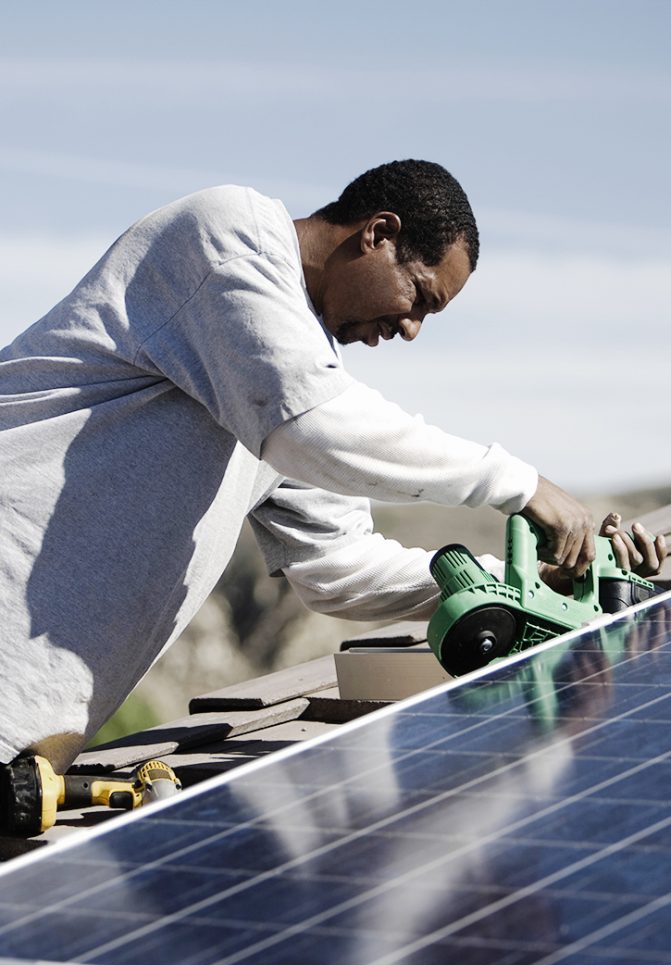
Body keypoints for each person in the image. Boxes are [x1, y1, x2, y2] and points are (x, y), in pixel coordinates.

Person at [0, 160, 665, 775]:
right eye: (420, 296)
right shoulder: (226, 238)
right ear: (378, 234)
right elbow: (318, 430)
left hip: (30, 732)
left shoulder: (287, 374)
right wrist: (521, 485)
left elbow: (339, 571)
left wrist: (529, 585)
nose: (410, 330)